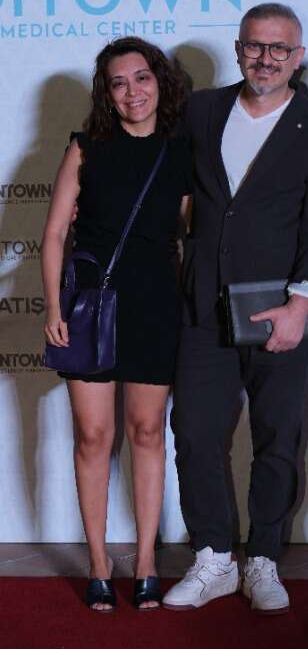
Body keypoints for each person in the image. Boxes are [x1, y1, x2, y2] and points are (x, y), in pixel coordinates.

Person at [162, 3, 308, 613]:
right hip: (202, 307)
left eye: (279, 48)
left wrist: (300, 304)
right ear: (239, 50)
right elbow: (174, 187)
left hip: (279, 311)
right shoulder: (202, 110)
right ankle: (213, 557)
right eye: (255, 46)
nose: (266, 59)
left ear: (297, 57)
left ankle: (263, 557)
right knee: (194, 433)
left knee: (278, 439)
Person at [41, 37, 191, 612]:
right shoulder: (86, 148)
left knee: (148, 433)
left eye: (142, 78)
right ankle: (100, 564)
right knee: (93, 437)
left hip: (155, 306)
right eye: (119, 83)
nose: (132, 92)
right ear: (106, 92)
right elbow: (55, 232)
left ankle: (147, 562)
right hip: (88, 308)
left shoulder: (181, 150)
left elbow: (190, 229)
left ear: (159, 82)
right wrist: (53, 308)